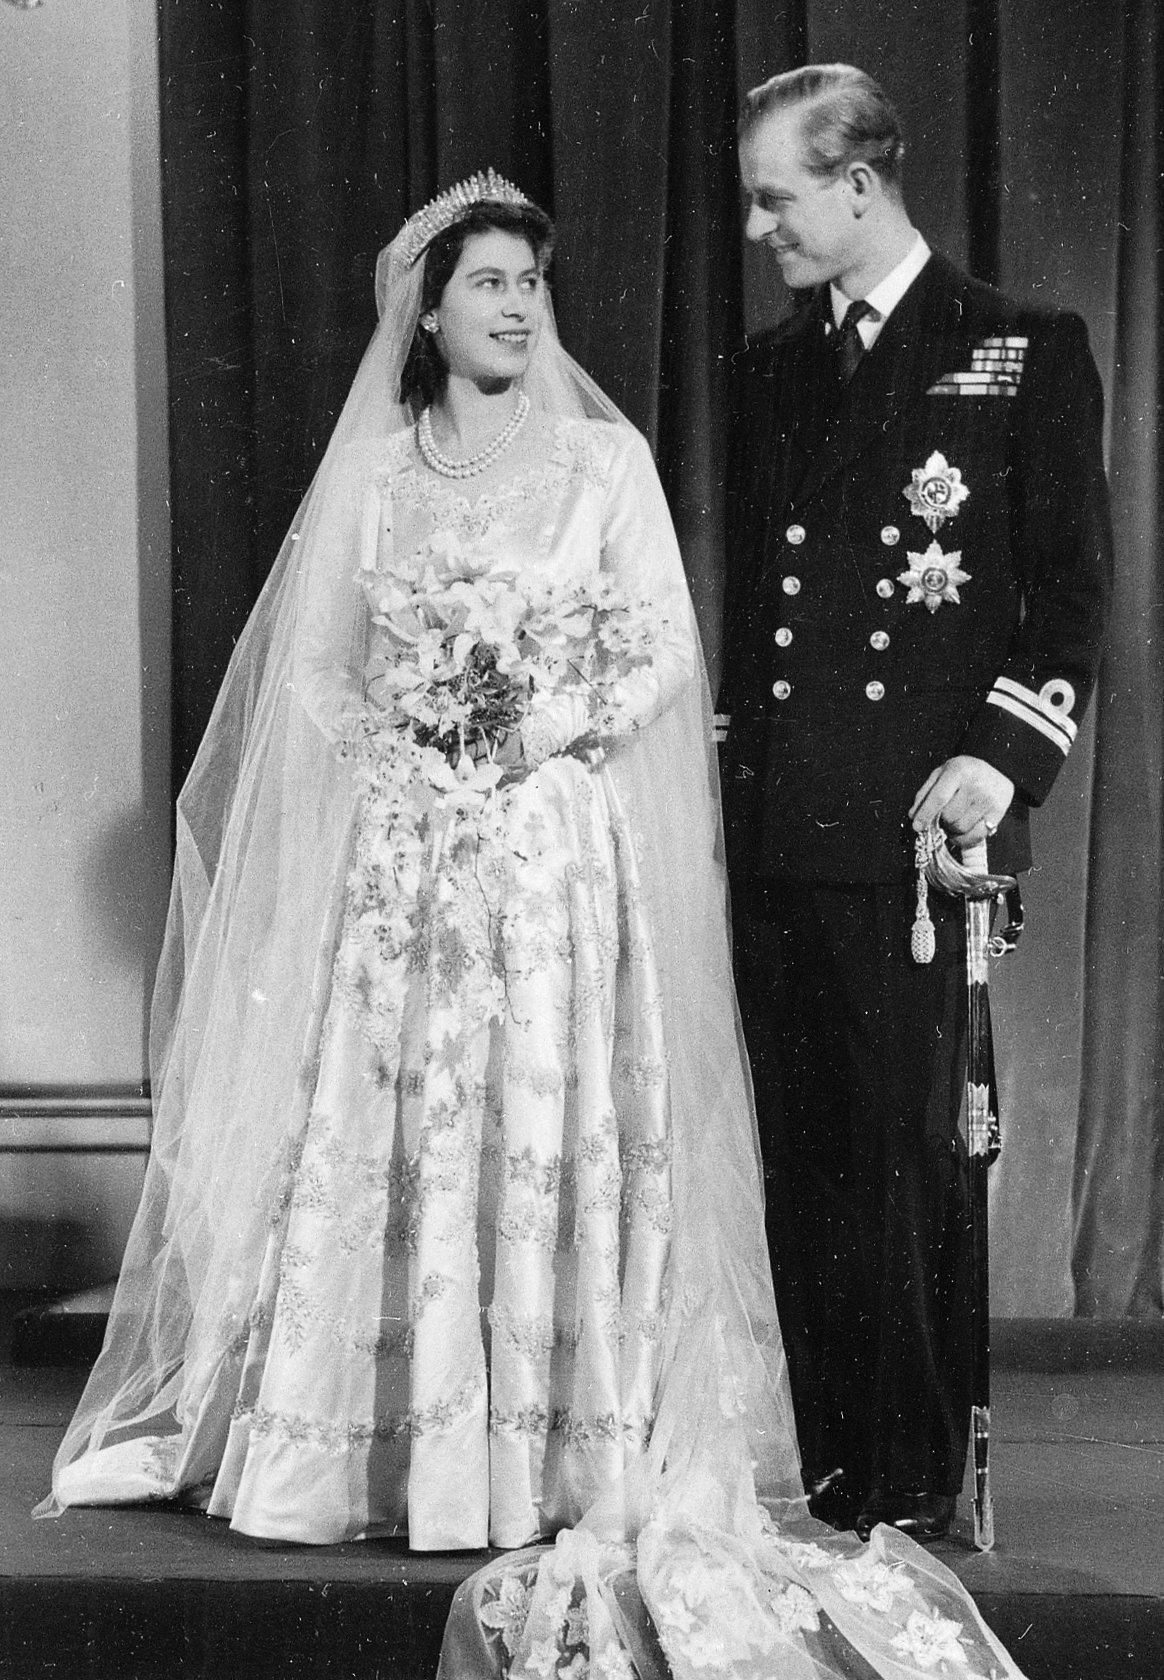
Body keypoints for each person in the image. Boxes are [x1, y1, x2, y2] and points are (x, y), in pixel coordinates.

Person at [43, 173, 1030, 1680]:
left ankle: (550, 1452)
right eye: (490, 284)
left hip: (553, 845)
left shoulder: (600, 462)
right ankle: (388, 1451)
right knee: (406, 1123)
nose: (517, 307)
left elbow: (661, 648)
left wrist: (529, 732)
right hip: (408, 855)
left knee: (544, 1125)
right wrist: (406, 750)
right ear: (427, 312)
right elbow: (319, 666)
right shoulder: (378, 477)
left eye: (531, 283)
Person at [720, 65, 1112, 1543]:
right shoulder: (773, 370)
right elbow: (759, 610)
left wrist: (1004, 760)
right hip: (782, 822)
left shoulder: (1017, 346)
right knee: (803, 1150)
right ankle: (827, 1462)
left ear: (860, 183)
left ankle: (905, 1475)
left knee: (903, 1158)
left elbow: (1068, 592)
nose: (759, 228)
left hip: (919, 832)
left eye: (777, 198)